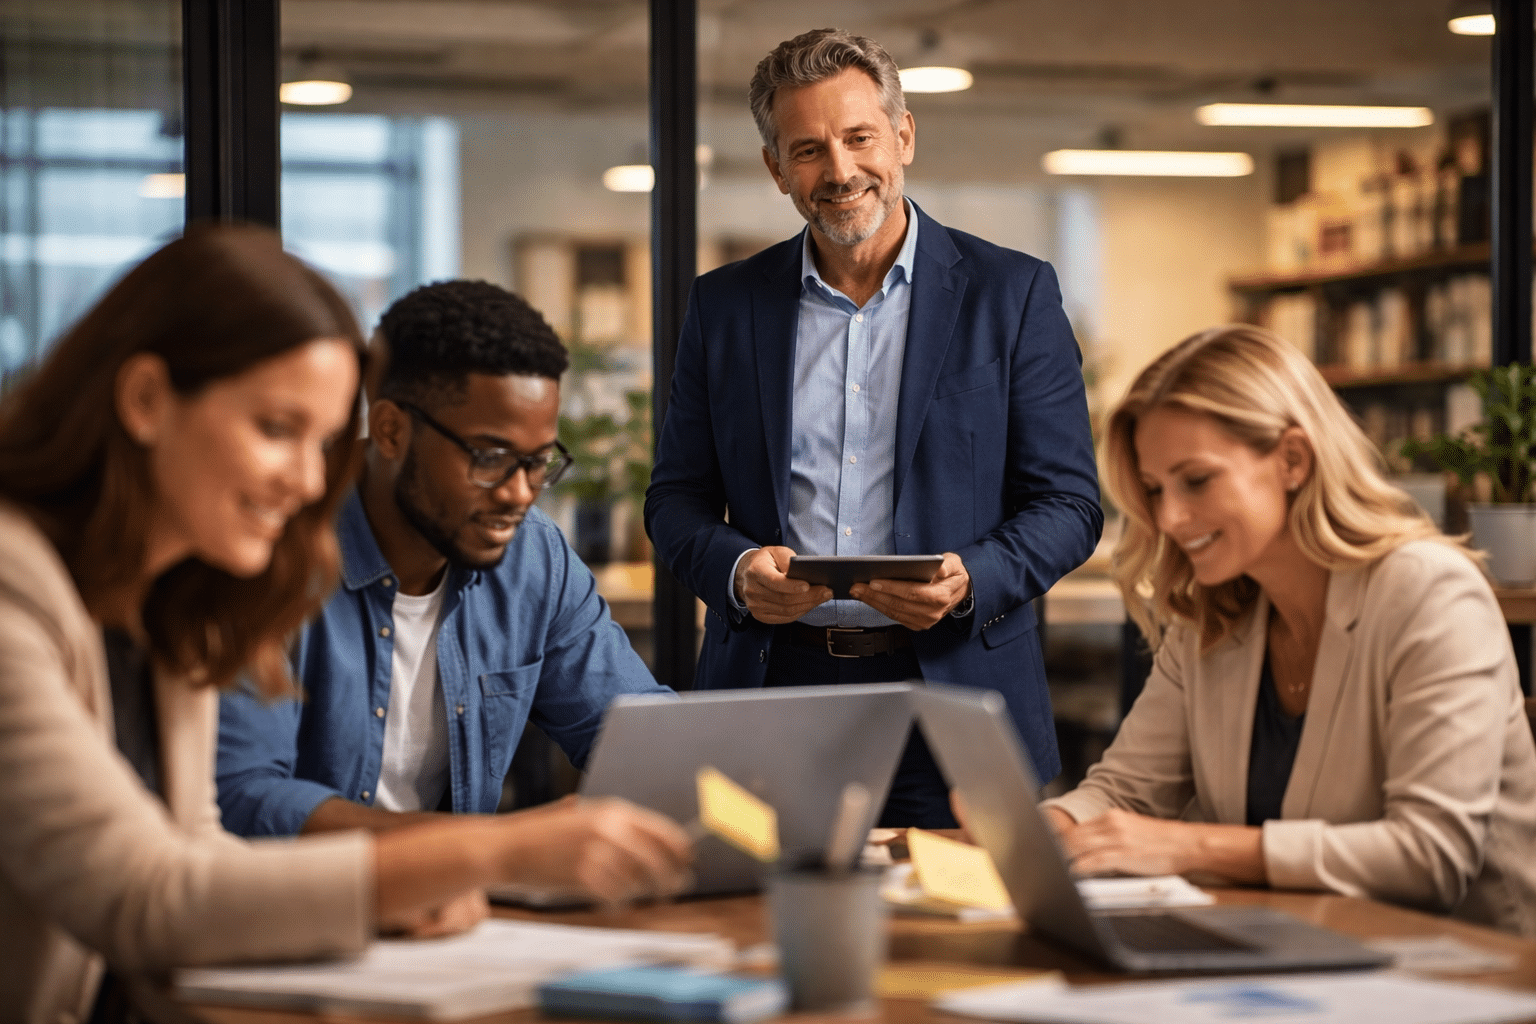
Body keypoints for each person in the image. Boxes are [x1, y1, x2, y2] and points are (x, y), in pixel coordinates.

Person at [0, 225, 692, 1023]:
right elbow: (147, 891)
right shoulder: (18, 585)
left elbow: (198, 850)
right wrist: (487, 853)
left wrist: (391, 892)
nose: (307, 480)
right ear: (147, 400)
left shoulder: (176, 599)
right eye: (275, 429)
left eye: (323, 440)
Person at [645, 27, 1101, 827]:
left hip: (955, 700)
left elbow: (1068, 503)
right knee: (753, 941)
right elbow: (675, 501)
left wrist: (971, 579)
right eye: (809, 149)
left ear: (904, 136)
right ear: (776, 168)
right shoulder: (724, 306)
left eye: (859, 138)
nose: (841, 170)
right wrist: (740, 567)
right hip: (771, 692)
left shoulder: (1012, 293)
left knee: (960, 948)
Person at [1039, 324, 1536, 936]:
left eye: (1196, 480)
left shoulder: (1430, 592)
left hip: (1466, 975)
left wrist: (1193, 848)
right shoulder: (1212, 616)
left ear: (1293, 460)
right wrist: (1050, 827)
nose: (1168, 518)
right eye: (1154, 490)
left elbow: (1430, 855)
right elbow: (1127, 793)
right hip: (1294, 952)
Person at [216, 280, 672, 841]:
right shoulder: (271, 553)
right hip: (299, 915)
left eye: (537, 462)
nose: (519, 493)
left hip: (460, 916)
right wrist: (486, 852)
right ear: (390, 431)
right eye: (490, 457)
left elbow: (641, 744)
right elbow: (244, 797)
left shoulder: (534, 558)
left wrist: (764, 829)